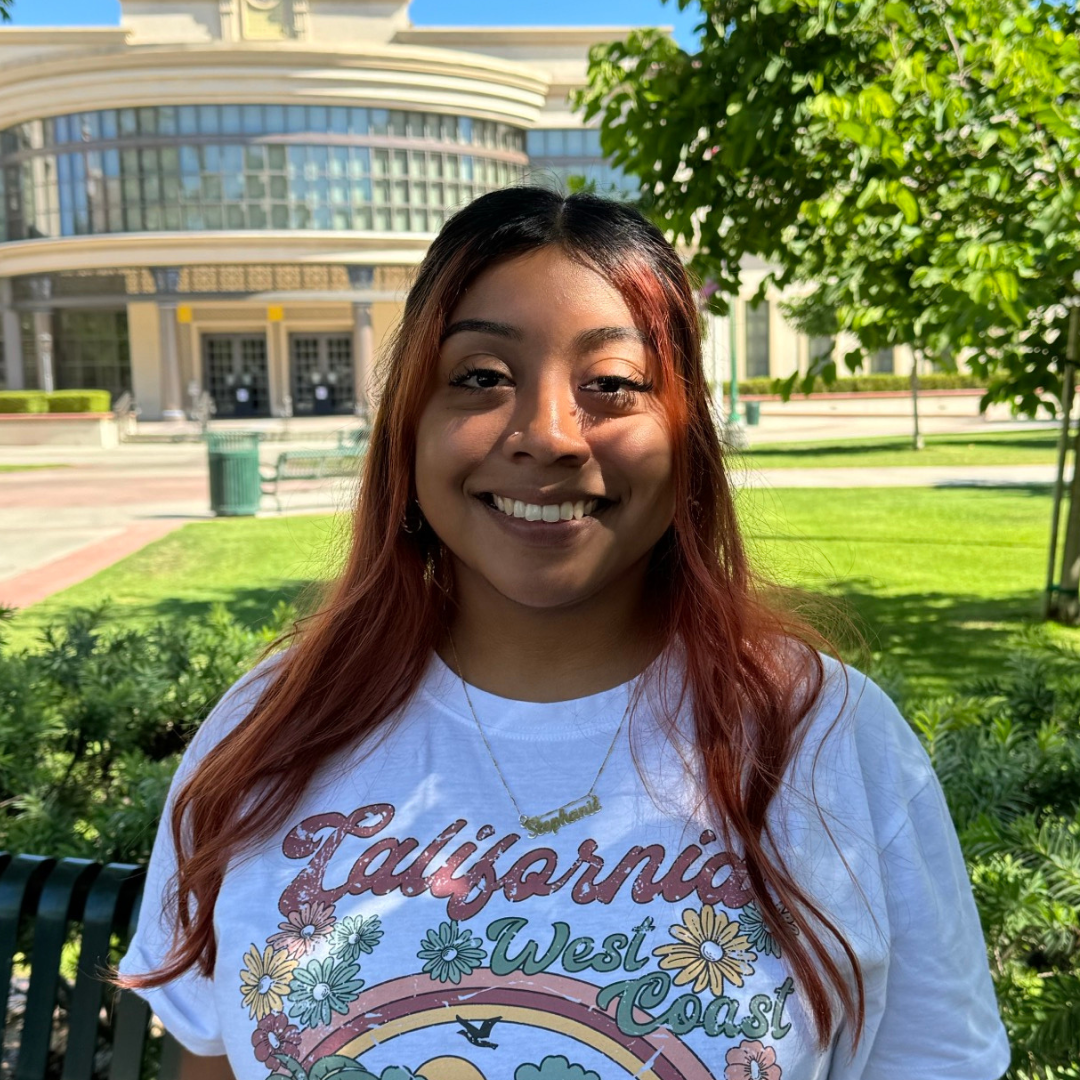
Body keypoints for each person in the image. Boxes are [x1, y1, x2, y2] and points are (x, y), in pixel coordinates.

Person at [119, 188, 1010, 1080]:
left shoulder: (826, 737)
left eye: (613, 385)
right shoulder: (270, 733)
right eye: (479, 377)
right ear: (407, 427)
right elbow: (212, 1058)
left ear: (686, 432)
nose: (547, 435)